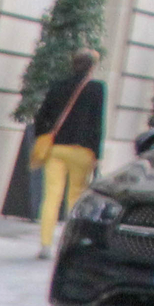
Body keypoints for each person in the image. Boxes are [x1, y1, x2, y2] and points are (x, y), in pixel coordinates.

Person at [33, 49, 106, 257]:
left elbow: (41, 117)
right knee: (75, 197)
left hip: (56, 148)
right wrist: (97, 155)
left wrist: (45, 136)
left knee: (51, 196)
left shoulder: (57, 87)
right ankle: (69, 244)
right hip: (82, 151)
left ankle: (45, 245)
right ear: (92, 67)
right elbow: (97, 123)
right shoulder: (97, 89)